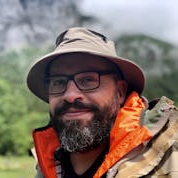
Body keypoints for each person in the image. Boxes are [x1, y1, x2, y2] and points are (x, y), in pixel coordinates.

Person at [26, 27, 178, 178]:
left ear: (120, 92)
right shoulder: (47, 162)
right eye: (59, 82)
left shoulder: (171, 154)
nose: (70, 95)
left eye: (88, 80)